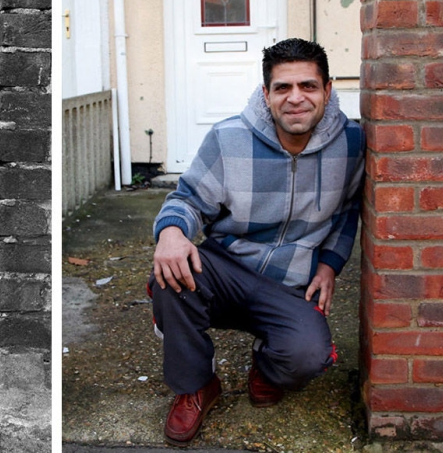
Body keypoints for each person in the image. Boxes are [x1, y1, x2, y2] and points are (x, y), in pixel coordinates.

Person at [150, 38, 365, 446]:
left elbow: (347, 210)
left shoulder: (352, 143)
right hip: (226, 270)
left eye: (308, 86)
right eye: (283, 88)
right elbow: (187, 198)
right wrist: (172, 233)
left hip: (290, 284)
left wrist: (329, 264)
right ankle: (197, 384)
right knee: (169, 272)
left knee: (307, 357)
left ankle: (266, 365)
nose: (295, 98)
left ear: (328, 90)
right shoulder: (228, 138)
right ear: (265, 94)